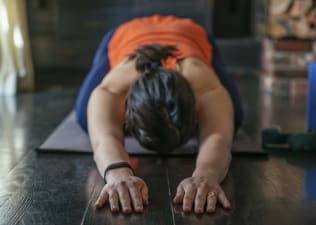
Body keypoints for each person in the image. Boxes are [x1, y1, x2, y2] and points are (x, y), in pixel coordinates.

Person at [75, 15, 243, 214]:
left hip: (191, 34)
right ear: (126, 107)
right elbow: (104, 139)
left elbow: (219, 137)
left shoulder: (203, 84)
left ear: (196, 104)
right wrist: (118, 174)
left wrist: (206, 175)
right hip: (125, 34)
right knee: (86, 116)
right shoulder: (112, 90)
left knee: (235, 116)